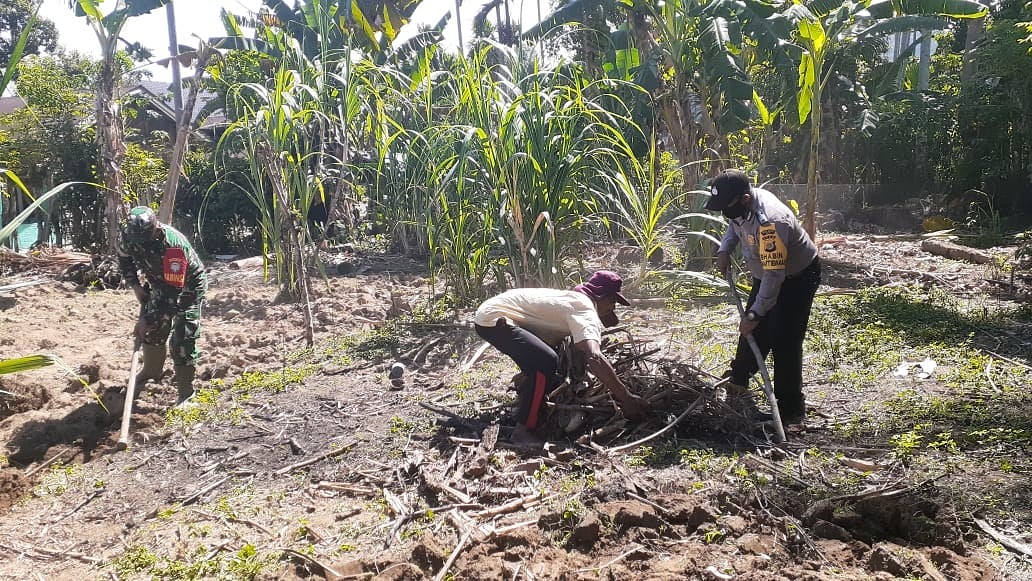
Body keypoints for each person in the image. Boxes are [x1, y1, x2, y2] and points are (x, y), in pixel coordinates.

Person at [474, 271, 647, 444]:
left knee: (544, 357)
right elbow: (594, 356)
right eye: (612, 301)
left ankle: (532, 406)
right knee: (545, 361)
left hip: (490, 315)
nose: (613, 308)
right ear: (601, 296)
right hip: (495, 319)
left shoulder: (573, 299)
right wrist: (626, 398)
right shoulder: (585, 310)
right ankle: (523, 431)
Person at [705, 169, 821, 425]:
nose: (726, 212)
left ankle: (791, 408)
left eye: (727, 206)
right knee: (751, 331)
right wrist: (725, 249)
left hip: (796, 278)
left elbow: (774, 276)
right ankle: (739, 380)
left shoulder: (770, 222)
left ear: (745, 198)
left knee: (785, 339)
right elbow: (734, 226)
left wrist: (757, 313)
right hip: (768, 274)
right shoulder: (740, 206)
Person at [118, 206, 207, 405]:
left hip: (186, 287)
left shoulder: (173, 247)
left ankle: (186, 392)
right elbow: (124, 260)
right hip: (158, 281)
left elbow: (173, 297)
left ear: (156, 230)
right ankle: (151, 371)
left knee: (182, 338)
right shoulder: (127, 235)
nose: (141, 244)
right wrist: (135, 285)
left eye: (146, 240)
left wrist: (148, 318)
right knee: (152, 332)